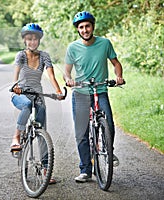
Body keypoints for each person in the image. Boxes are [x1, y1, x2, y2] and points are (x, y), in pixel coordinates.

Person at [63, 11, 125, 183]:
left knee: (109, 124)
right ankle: (85, 170)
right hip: (81, 93)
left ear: (92, 27)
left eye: (87, 26)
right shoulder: (73, 48)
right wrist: (68, 80)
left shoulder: (104, 43)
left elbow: (116, 63)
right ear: (78, 29)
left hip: (100, 90)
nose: (85, 30)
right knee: (81, 133)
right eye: (81, 27)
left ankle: (107, 150)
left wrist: (118, 76)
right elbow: (67, 71)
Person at [10, 23, 64, 183]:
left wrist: (58, 91)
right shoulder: (21, 55)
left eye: (35, 39)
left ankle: (46, 169)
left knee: (42, 133)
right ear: (25, 41)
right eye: (29, 39)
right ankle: (16, 137)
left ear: (39, 40)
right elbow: (15, 75)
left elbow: (51, 76)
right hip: (20, 94)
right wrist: (16, 87)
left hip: (38, 95)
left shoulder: (44, 56)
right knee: (26, 105)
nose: (32, 42)